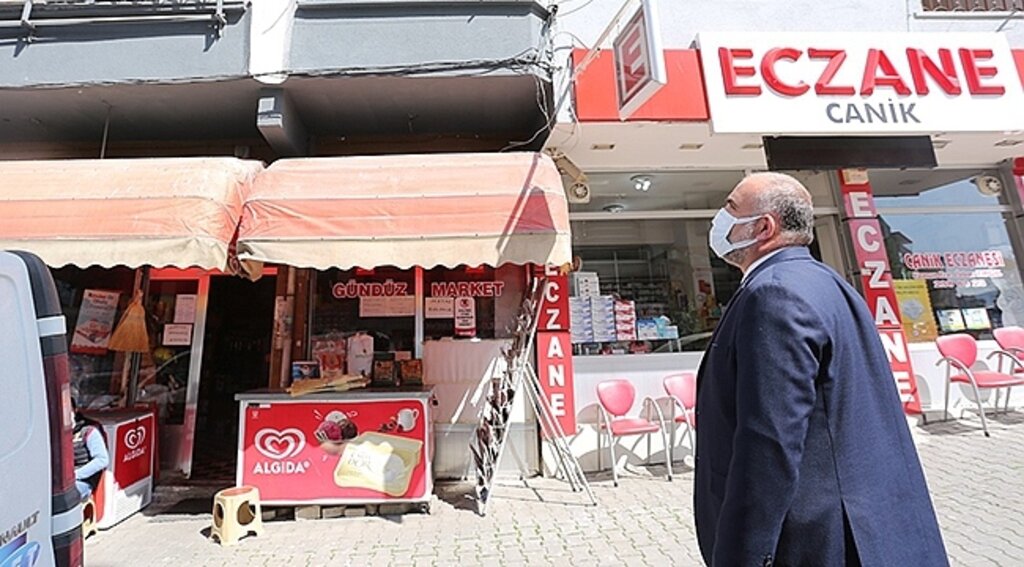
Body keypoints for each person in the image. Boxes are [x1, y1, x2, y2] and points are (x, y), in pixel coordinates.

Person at [694, 173, 947, 566]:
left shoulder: (774, 293)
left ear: (764, 227)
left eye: (729, 208)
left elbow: (768, 443)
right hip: (864, 529)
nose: (718, 220)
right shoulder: (827, 282)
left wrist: (740, 556)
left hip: (819, 541)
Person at [72, 398, 109, 501]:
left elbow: (102, 460)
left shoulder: (88, 431)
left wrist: (76, 475)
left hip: (82, 481)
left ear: (75, 410)